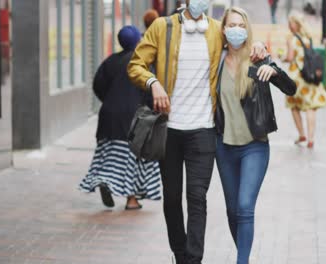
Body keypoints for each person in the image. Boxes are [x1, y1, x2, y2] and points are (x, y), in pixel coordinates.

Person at [127, 0, 268, 263]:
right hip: (168, 130)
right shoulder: (162, 27)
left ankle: (193, 259)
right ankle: (179, 254)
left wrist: (259, 46)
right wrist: (153, 82)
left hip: (203, 131)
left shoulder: (216, 29)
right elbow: (135, 65)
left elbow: (241, 43)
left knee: (197, 198)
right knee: (171, 199)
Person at [215, 7, 297, 264]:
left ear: (247, 29)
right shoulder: (215, 60)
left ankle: (242, 261)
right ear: (224, 29)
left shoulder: (257, 58)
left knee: (244, 207)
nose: (236, 29)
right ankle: (245, 253)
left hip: (255, 146)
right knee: (231, 211)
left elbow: (291, 88)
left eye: (241, 25)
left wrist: (274, 70)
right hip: (223, 146)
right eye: (232, 25)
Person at [79, 26, 161, 210]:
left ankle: (104, 179)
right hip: (133, 118)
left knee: (107, 153)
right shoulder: (143, 64)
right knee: (132, 159)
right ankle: (132, 200)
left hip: (108, 117)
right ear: (138, 42)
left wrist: (110, 101)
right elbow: (151, 91)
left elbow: (97, 85)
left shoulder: (110, 61)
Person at [284, 11, 326, 149]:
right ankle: (311, 139)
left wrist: (282, 57)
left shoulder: (292, 39)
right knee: (311, 108)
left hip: (296, 78)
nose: (289, 25)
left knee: (294, 106)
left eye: (290, 23)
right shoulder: (308, 39)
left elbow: (290, 58)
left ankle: (301, 134)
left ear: (295, 24)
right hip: (309, 76)